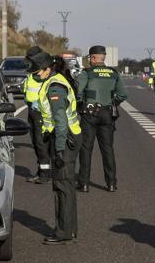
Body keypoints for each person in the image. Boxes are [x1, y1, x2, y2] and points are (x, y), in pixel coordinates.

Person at [28, 51, 82, 245]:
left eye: (37, 71)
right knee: (65, 186)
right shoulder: (54, 81)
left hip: (64, 140)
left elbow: (60, 121)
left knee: (62, 186)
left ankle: (63, 232)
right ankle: (69, 229)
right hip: (67, 138)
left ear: (47, 69)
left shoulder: (55, 87)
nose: (35, 74)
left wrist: (59, 150)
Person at [76, 45, 128, 193]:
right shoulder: (113, 73)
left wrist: (81, 103)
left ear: (93, 58)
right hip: (107, 114)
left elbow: (78, 91)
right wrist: (113, 103)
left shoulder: (87, 73)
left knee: (86, 149)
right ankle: (111, 183)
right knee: (108, 149)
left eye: (89, 58)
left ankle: (84, 183)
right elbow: (123, 94)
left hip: (89, 114)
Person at [23, 46, 50, 184]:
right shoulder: (32, 73)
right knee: (35, 143)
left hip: (41, 112)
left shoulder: (45, 73)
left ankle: (45, 173)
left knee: (41, 144)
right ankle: (41, 171)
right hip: (31, 111)